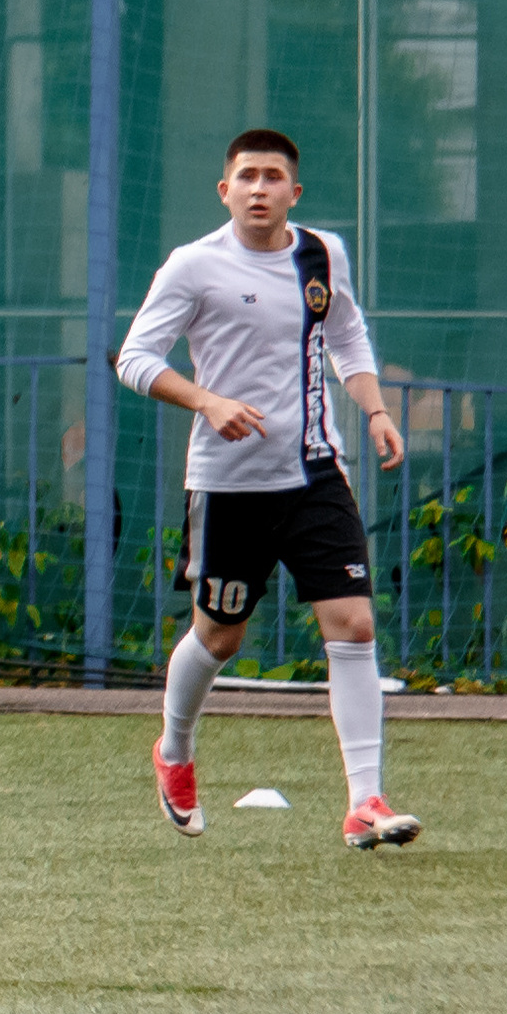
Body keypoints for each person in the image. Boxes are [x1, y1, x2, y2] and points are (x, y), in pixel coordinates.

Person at [116, 128, 417, 850]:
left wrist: (375, 409)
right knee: (220, 635)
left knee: (353, 624)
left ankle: (364, 801)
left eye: (273, 176)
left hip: (316, 471)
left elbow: (347, 334)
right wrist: (207, 402)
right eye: (246, 175)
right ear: (225, 191)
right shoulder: (194, 266)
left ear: (294, 192)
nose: (259, 188)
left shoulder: (322, 253)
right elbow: (133, 357)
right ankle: (175, 752)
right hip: (229, 486)